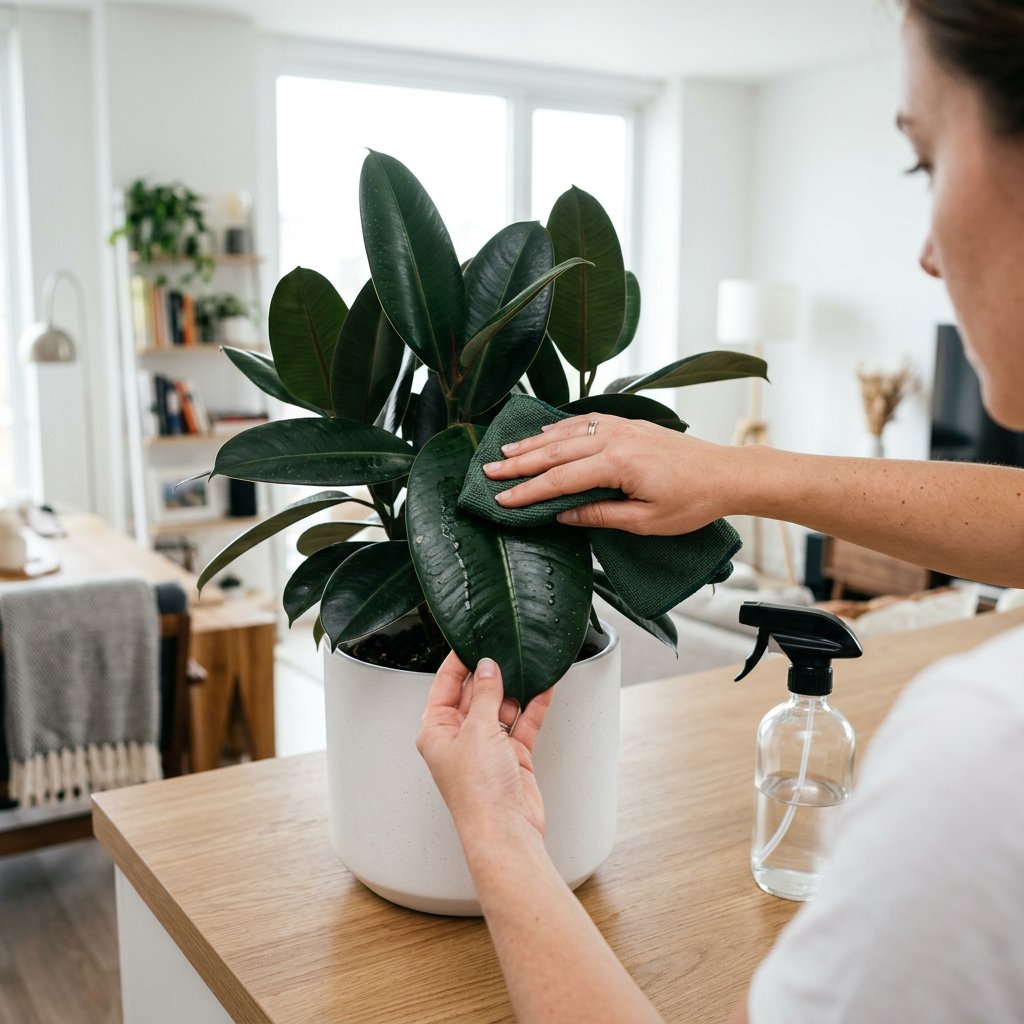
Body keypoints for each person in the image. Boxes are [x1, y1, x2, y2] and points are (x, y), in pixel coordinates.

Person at [417, 2, 1024, 1021]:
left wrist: (495, 830)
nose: (922, 254)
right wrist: (733, 474)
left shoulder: (982, 755)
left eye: (925, 162)